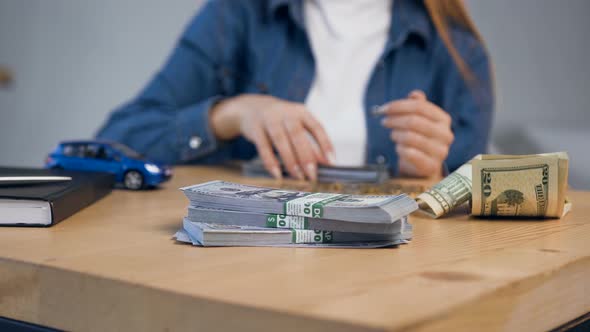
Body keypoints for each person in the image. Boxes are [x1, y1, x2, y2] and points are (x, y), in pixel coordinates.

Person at [97, 0, 494, 181]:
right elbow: (116, 141)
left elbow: (480, 211)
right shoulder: (236, 14)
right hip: (249, 274)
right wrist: (232, 114)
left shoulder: (456, 51)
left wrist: (432, 176)